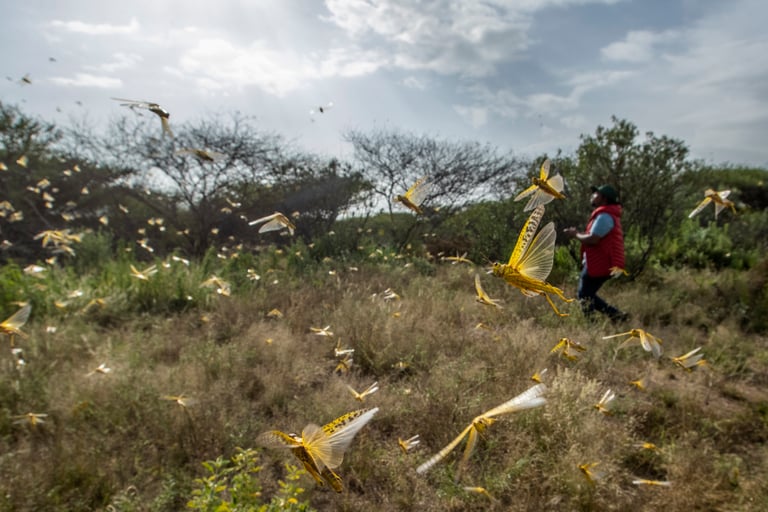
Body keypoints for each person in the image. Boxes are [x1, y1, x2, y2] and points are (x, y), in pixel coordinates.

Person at [563, 185, 629, 322]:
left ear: (604, 198)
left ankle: (596, 323)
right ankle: (617, 316)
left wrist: (575, 235)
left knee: (584, 294)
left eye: (596, 194)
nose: (592, 196)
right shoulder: (606, 214)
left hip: (602, 263)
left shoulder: (605, 216)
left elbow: (593, 239)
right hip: (603, 262)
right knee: (587, 294)